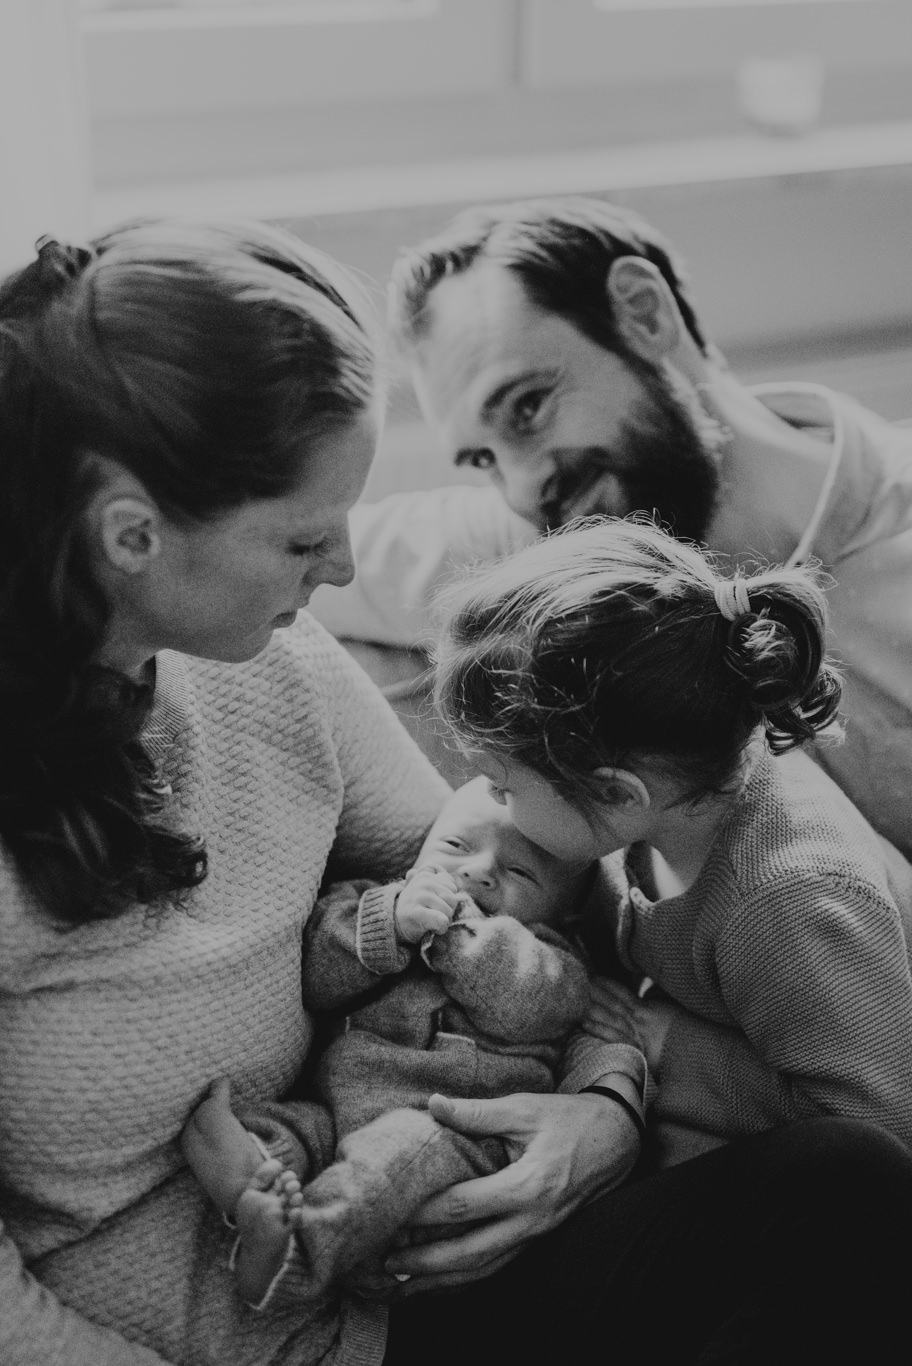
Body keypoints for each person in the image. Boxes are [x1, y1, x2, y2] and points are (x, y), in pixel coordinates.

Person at [3, 220, 912, 1366]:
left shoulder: (267, 658)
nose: (342, 568)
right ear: (130, 535)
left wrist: (605, 1110)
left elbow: (522, 878)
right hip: (216, 1343)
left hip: (430, 1251)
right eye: (302, 537)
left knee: (846, 1187)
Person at [308, 195, 912, 860]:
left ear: (644, 313)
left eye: (529, 406)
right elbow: (271, 560)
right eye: (484, 460)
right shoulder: (537, 558)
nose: (523, 488)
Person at [431, 516, 912, 1171]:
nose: (490, 803)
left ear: (614, 793)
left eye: (502, 787)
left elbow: (879, 1131)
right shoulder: (674, 774)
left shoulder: (788, 903)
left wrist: (667, 1041)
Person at [181, 776, 595, 1308]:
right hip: (336, 1114)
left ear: (564, 914)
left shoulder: (556, 964)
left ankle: (294, 1258)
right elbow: (316, 978)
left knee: (400, 1149)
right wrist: (390, 923)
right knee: (293, 1129)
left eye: (519, 872)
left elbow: (523, 1002)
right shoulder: (370, 903)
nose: (477, 871)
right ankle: (253, 1174)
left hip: (451, 1143)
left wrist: (455, 927)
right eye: (455, 845)